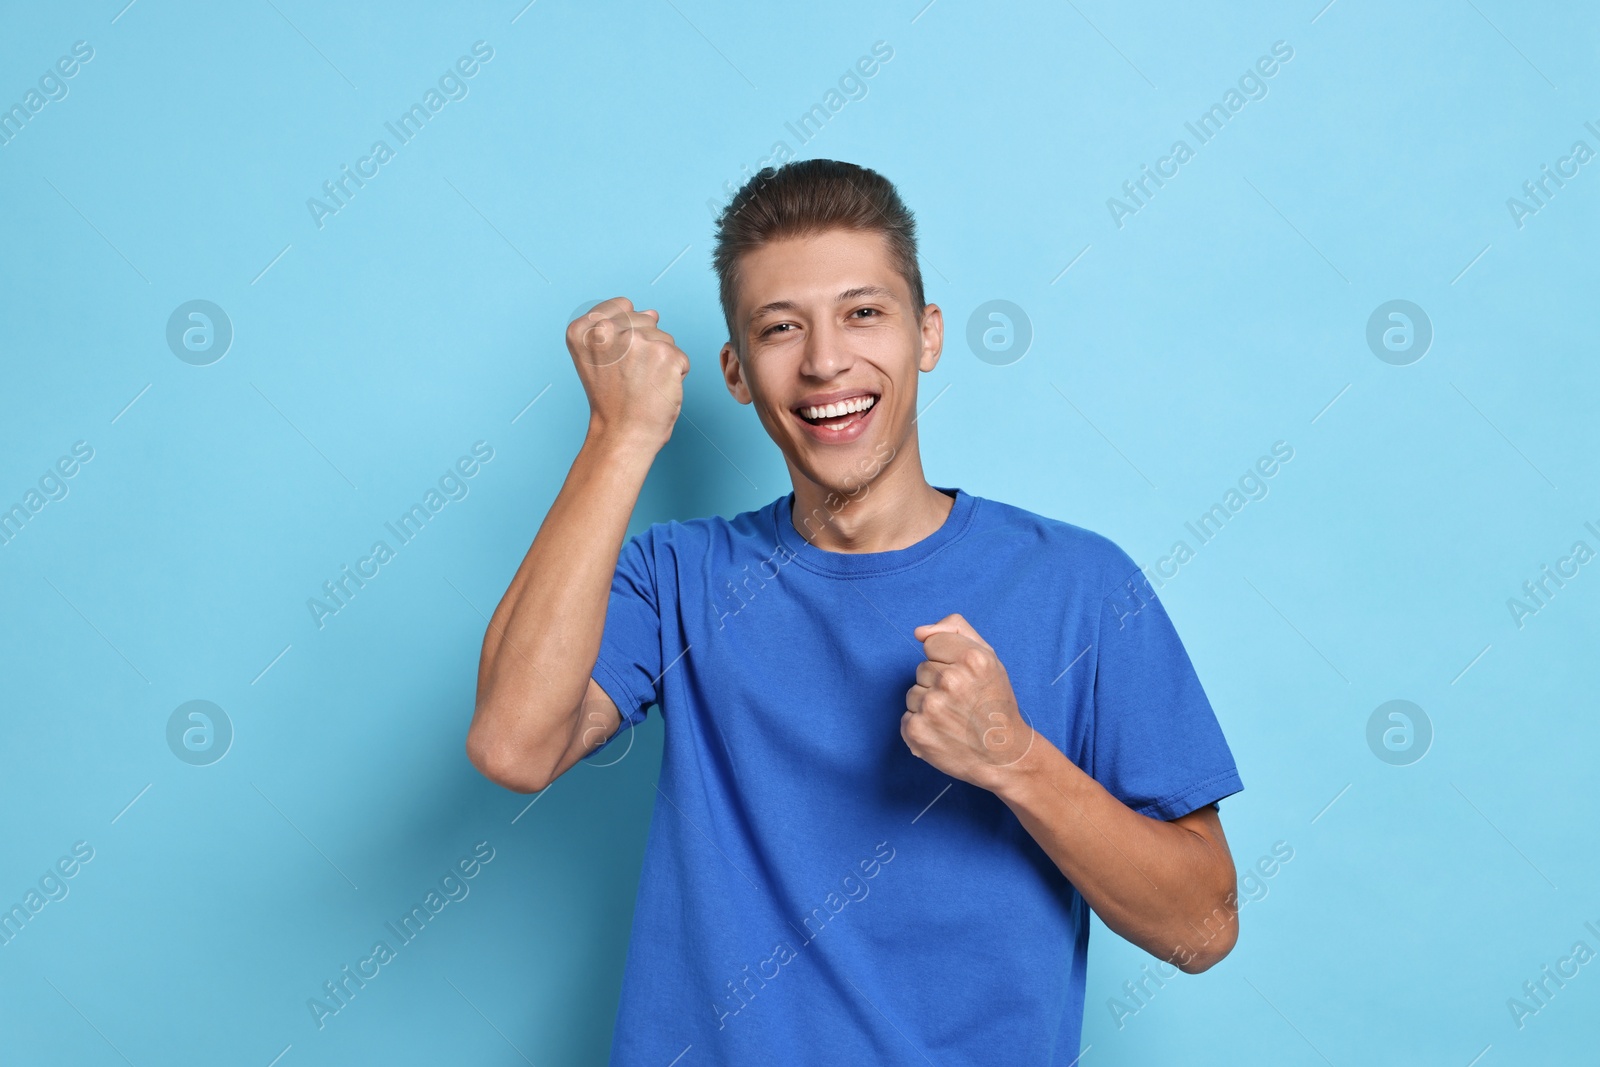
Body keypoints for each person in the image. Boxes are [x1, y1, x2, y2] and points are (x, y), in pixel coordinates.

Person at [466, 159, 1244, 1065]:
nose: (826, 359)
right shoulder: (678, 576)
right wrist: (620, 435)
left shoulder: (1082, 585)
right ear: (736, 370)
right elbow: (513, 744)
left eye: (863, 312)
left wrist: (1018, 760)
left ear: (928, 334)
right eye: (779, 327)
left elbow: (1202, 928)